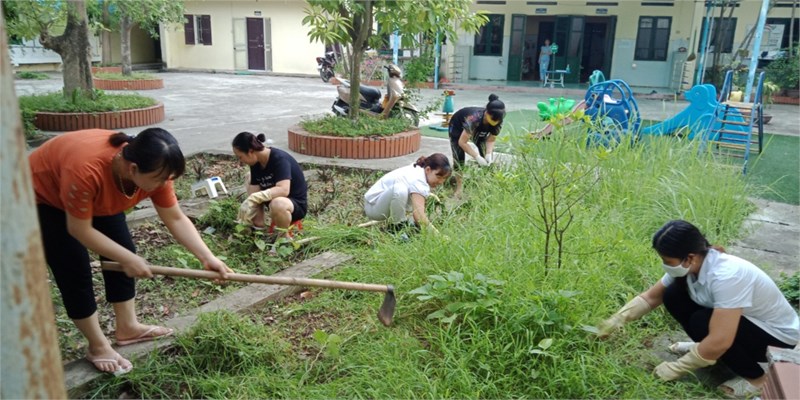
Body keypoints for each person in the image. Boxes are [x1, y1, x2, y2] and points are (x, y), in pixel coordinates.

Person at [29, 128, 232, 375]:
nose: (164, 183)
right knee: (74, 269)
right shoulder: (87, 170)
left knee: (123, 248)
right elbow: (79, 229)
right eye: (160, 179)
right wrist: (128, 259)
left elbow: (175, 217)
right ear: (133, 168)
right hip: (45, 197)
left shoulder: (156, 172)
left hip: (102, 190)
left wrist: (207, 257)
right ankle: (97, 345)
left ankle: (127, 327)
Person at [597, 220, 799, 398]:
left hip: (776, 339)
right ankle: (707, 351)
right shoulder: (692, 267)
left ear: (690, 257)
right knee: (672, 295)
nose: (665, 266)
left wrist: (677, 368)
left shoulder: (727, 275)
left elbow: (721, 339)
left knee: (702, 321)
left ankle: (757, 378)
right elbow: (651, 297)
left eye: (668, 261)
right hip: (744, 325)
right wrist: (613, 322)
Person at [233, 132, 308, 243]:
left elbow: (283, 190)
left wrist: (255, 197)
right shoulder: (255, 163)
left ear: (250, 151)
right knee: (249, 178)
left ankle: (283, 238)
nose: (240, 162)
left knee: (277, 203)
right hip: (273, 201)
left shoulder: (279, 159)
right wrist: (248, 210)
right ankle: (257, 227)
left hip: (293, 205)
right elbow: (254, 190)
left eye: (240, 157)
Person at [364, 153, 451, 234]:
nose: (441, 182)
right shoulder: (419, 180)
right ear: (428, 169)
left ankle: (400, 224)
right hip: (373, 207)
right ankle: (397, 228)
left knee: (406, 195)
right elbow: (419, 217)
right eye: (438, 176)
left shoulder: (419, 171)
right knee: (400, 190)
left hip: (382, 204)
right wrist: (439, 236)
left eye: (444, 178)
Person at [448, 94, 506, 197]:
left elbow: (491, 140)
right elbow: (462, 142)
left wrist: (488, 154)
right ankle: (459, 188)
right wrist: (477, 157)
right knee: (459, 157)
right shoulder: (474, 119)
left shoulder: (499, 120)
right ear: (486, 113)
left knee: (485, 155)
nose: (494, 123)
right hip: (458, 125)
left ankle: (485, 184)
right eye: (492, 120)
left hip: (479, 130)